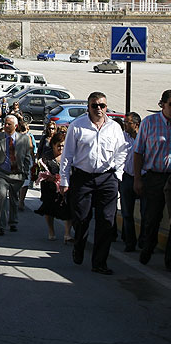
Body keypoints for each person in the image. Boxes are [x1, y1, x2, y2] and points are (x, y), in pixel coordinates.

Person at [59, 92, 127, 275]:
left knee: (106, 221)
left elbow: (122, 152)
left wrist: (118, 175)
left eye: (102, 106)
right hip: (83, 178)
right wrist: (64, 180)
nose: (99, 109)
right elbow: (67, 156)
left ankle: (99, 262)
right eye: (94, 105)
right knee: (81, 219)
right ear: (88, 107)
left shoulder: (114, 128)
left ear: (106, 107)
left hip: (107, 178)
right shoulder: (77, 126)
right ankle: (79, 246)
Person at [135, 89, 171, 271]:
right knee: (152, 217)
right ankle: (148, 246)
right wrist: (138, 179)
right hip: (154, 177)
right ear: (162, 104)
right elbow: (138, 152)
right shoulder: (149, 123)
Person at [0, 115, 33, 236]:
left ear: (16, 126)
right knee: (2, 196)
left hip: (16, 174)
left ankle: (13, 221)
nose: (6, 126)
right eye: (5, 123)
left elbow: (27, 157)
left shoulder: (24, 139)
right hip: (1, 172)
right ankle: (0, 226)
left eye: (9, 124)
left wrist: (25, 172)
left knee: (14, 198)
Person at [34, 132, 73, 242]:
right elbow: (40, 170)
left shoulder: (69, 156)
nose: (61, 148)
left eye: (63, 145)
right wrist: (48, 177)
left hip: (65, 187)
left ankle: (67, 234)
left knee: (68, 209)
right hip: (49, 187)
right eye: (59, 145)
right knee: (49, 209)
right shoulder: (47, 156)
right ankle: (51, 231)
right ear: (53, 145)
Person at [119, 112, 145, 252]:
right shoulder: (123, 137)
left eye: (128, 122)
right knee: (127, 213)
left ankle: (144, 241)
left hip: (144, 178)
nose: (125, 125)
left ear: (136, 124)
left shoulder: (144, 138)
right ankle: (130, 242)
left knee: (145, 213)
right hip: (127, 178)